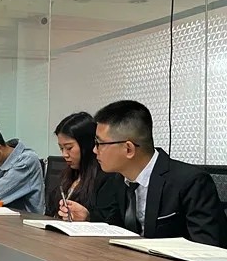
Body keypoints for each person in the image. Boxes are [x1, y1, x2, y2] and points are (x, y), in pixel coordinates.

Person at [60, 100, 227, 247]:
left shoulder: (190, 182)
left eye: (99, 144)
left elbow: (207, 248)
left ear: (128, 149)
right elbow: (115, 228)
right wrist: (89, 218)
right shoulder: (119, 179)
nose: (94, 150)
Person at [46, 112, 115, 218]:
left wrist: (88, 217)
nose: (64, 154)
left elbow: (108, 219)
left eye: (69, 148)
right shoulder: (67, 175)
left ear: (86, 145)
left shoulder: (107, 177)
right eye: (61, 148)